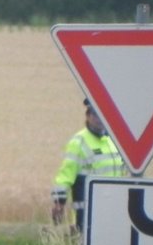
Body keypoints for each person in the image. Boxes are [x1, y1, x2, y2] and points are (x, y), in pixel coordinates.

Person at [51, 98, 128, 231]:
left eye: (103, 115)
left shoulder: (114, 141)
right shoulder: (79, 142)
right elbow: (66, 173)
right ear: (88, 115)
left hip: (115, 208)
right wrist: (59, 201)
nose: (99, 119)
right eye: (95, 115)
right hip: (87, 212)